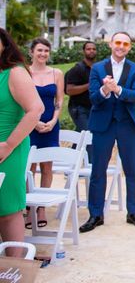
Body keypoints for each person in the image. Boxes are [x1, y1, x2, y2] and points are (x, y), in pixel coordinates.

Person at [80, 31, 135, 233]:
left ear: (129, 47)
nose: (121, 46)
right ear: (110, 44)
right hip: (103, 124)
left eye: (125, 44)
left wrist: (117, 89)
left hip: (127, 123)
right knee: (98, 170)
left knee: (133, 170)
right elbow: (93, 98)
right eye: (117, 42)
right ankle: (95, 214)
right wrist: (105, 90)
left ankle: (134, 212)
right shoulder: (98, 68)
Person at [0, 28, 44, 257]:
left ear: (4, 44)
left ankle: (14, 268)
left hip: (8, 149)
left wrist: (8, 145)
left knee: (8, 208)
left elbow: (36, 109)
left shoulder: (14, 73)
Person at [27, 37, 64, 228]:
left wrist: (53, 120)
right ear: (31, 52)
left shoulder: (56, 73)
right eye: (39, 50)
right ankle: (29, 207)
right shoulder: (25, 72)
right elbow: (21, 102)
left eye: (46, 51)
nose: (43, 54)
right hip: (30, 124)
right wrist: (34, 122)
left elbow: (59, 100)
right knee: (30, 168)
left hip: (50, 125)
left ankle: (41, 207)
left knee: (47, 167)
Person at [64, 40, 97, 160]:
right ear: (84, 51)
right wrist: (89, 85)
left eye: (93, 49)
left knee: (80, 136)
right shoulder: (78, 69)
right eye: (88, 49)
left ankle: (70, 163)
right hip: (78, 108)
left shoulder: (96, 68)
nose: (91, 51)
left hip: (91, 109)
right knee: (89, 136)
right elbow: (69, 90)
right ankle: (93, 169)